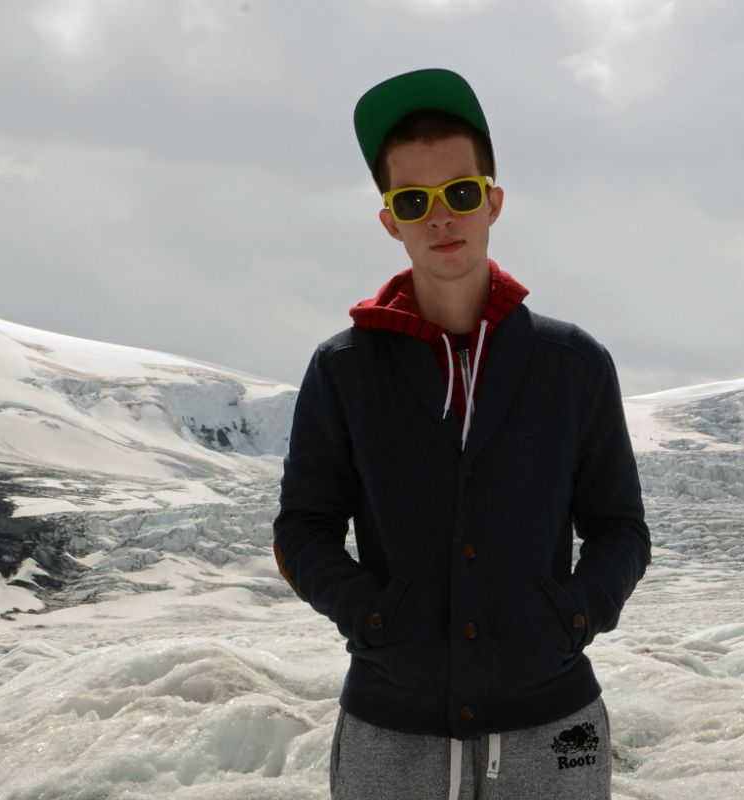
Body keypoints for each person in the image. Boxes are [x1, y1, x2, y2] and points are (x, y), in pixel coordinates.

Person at [273, 68, 650, 800]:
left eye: (461, 193)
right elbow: (301, 530)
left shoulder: (572, 365)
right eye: (414, 200)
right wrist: (373, 618)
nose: (440, 217)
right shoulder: (345, 370)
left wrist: (572, 616)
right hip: (390, 736)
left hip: (555, 730)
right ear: (390, 220)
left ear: (493, 203)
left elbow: (621, 529)